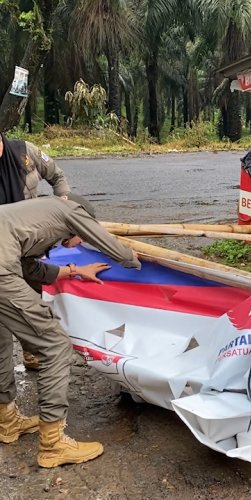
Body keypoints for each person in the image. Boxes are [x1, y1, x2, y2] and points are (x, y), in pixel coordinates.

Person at [0, 196, 141, 467]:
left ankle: (7, 421)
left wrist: (74, 270)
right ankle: (53, 445)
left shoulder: (33, 215)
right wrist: (132, 260)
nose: (79, 244)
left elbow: (29, 267)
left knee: (2, 339)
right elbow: (107, 242)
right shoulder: (71, 210)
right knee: (55, 345)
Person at [0, 132, 71, 370]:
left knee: (33, 300)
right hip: (3, 253)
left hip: (28, 246)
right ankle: (6, 402)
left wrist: (63, 206)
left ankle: (33, 353)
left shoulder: (25, 153)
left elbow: (56, 175)